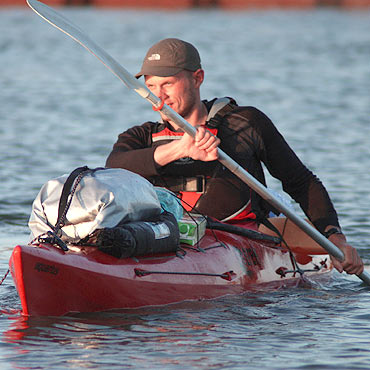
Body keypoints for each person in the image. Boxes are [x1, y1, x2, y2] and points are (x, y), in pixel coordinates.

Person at [106, 38, 363, 276]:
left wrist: (335, 238)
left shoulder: (245, 124)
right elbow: (113, 168)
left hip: (242, 236)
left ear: (198, 78)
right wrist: (181, 149)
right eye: (150, 86)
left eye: (167, 84)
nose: (158, 97)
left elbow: (301, 182)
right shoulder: (140, 136)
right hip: (167, 237)